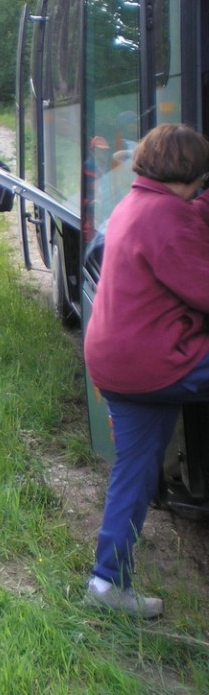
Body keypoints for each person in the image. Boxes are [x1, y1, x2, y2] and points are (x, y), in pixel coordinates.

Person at [82, 123, 209, 618]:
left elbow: (187, 217)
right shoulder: (168, 219)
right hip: (155, 361)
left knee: (132, 474)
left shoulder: (137, 201)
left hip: (118, 361)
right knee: (133, 470)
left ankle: (106, 584)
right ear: (192, 172)